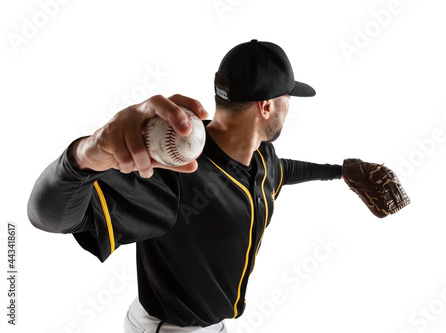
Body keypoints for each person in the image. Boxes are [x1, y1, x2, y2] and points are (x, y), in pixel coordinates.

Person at [28, 39, 343, 333]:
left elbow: (283, 171)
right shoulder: (174, 173)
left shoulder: (262, 159)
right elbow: (50, 217)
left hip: (213, 325)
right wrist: (84, 155)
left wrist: (340, 172)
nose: (290, 108)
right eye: (287, 99)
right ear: (266, 107)